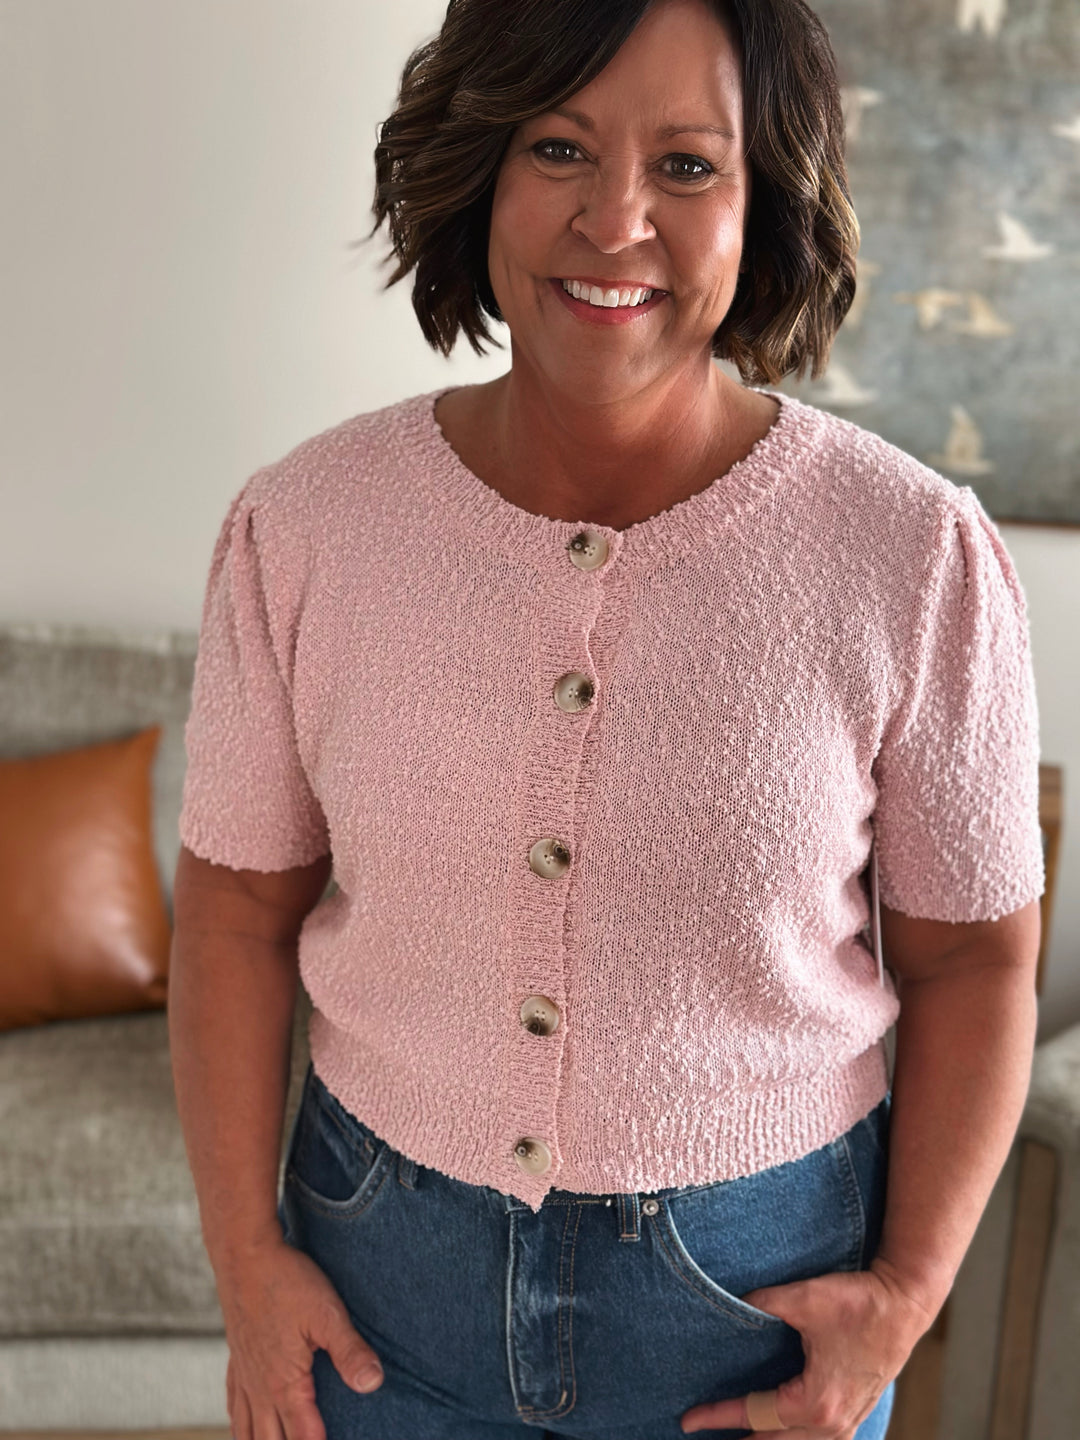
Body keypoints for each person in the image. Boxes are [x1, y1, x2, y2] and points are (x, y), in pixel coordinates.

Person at [168, 0, 1046, 1437]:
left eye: (688, 166)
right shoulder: (307, 526)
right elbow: (231, 920)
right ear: (480, 172)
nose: (615, 216)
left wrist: (906, 1295)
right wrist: (248, 1265)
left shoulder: (909, 553)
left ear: (767, 202)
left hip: (753, 1315)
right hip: (380, 1284)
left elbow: (977, 964)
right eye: (559, 146)